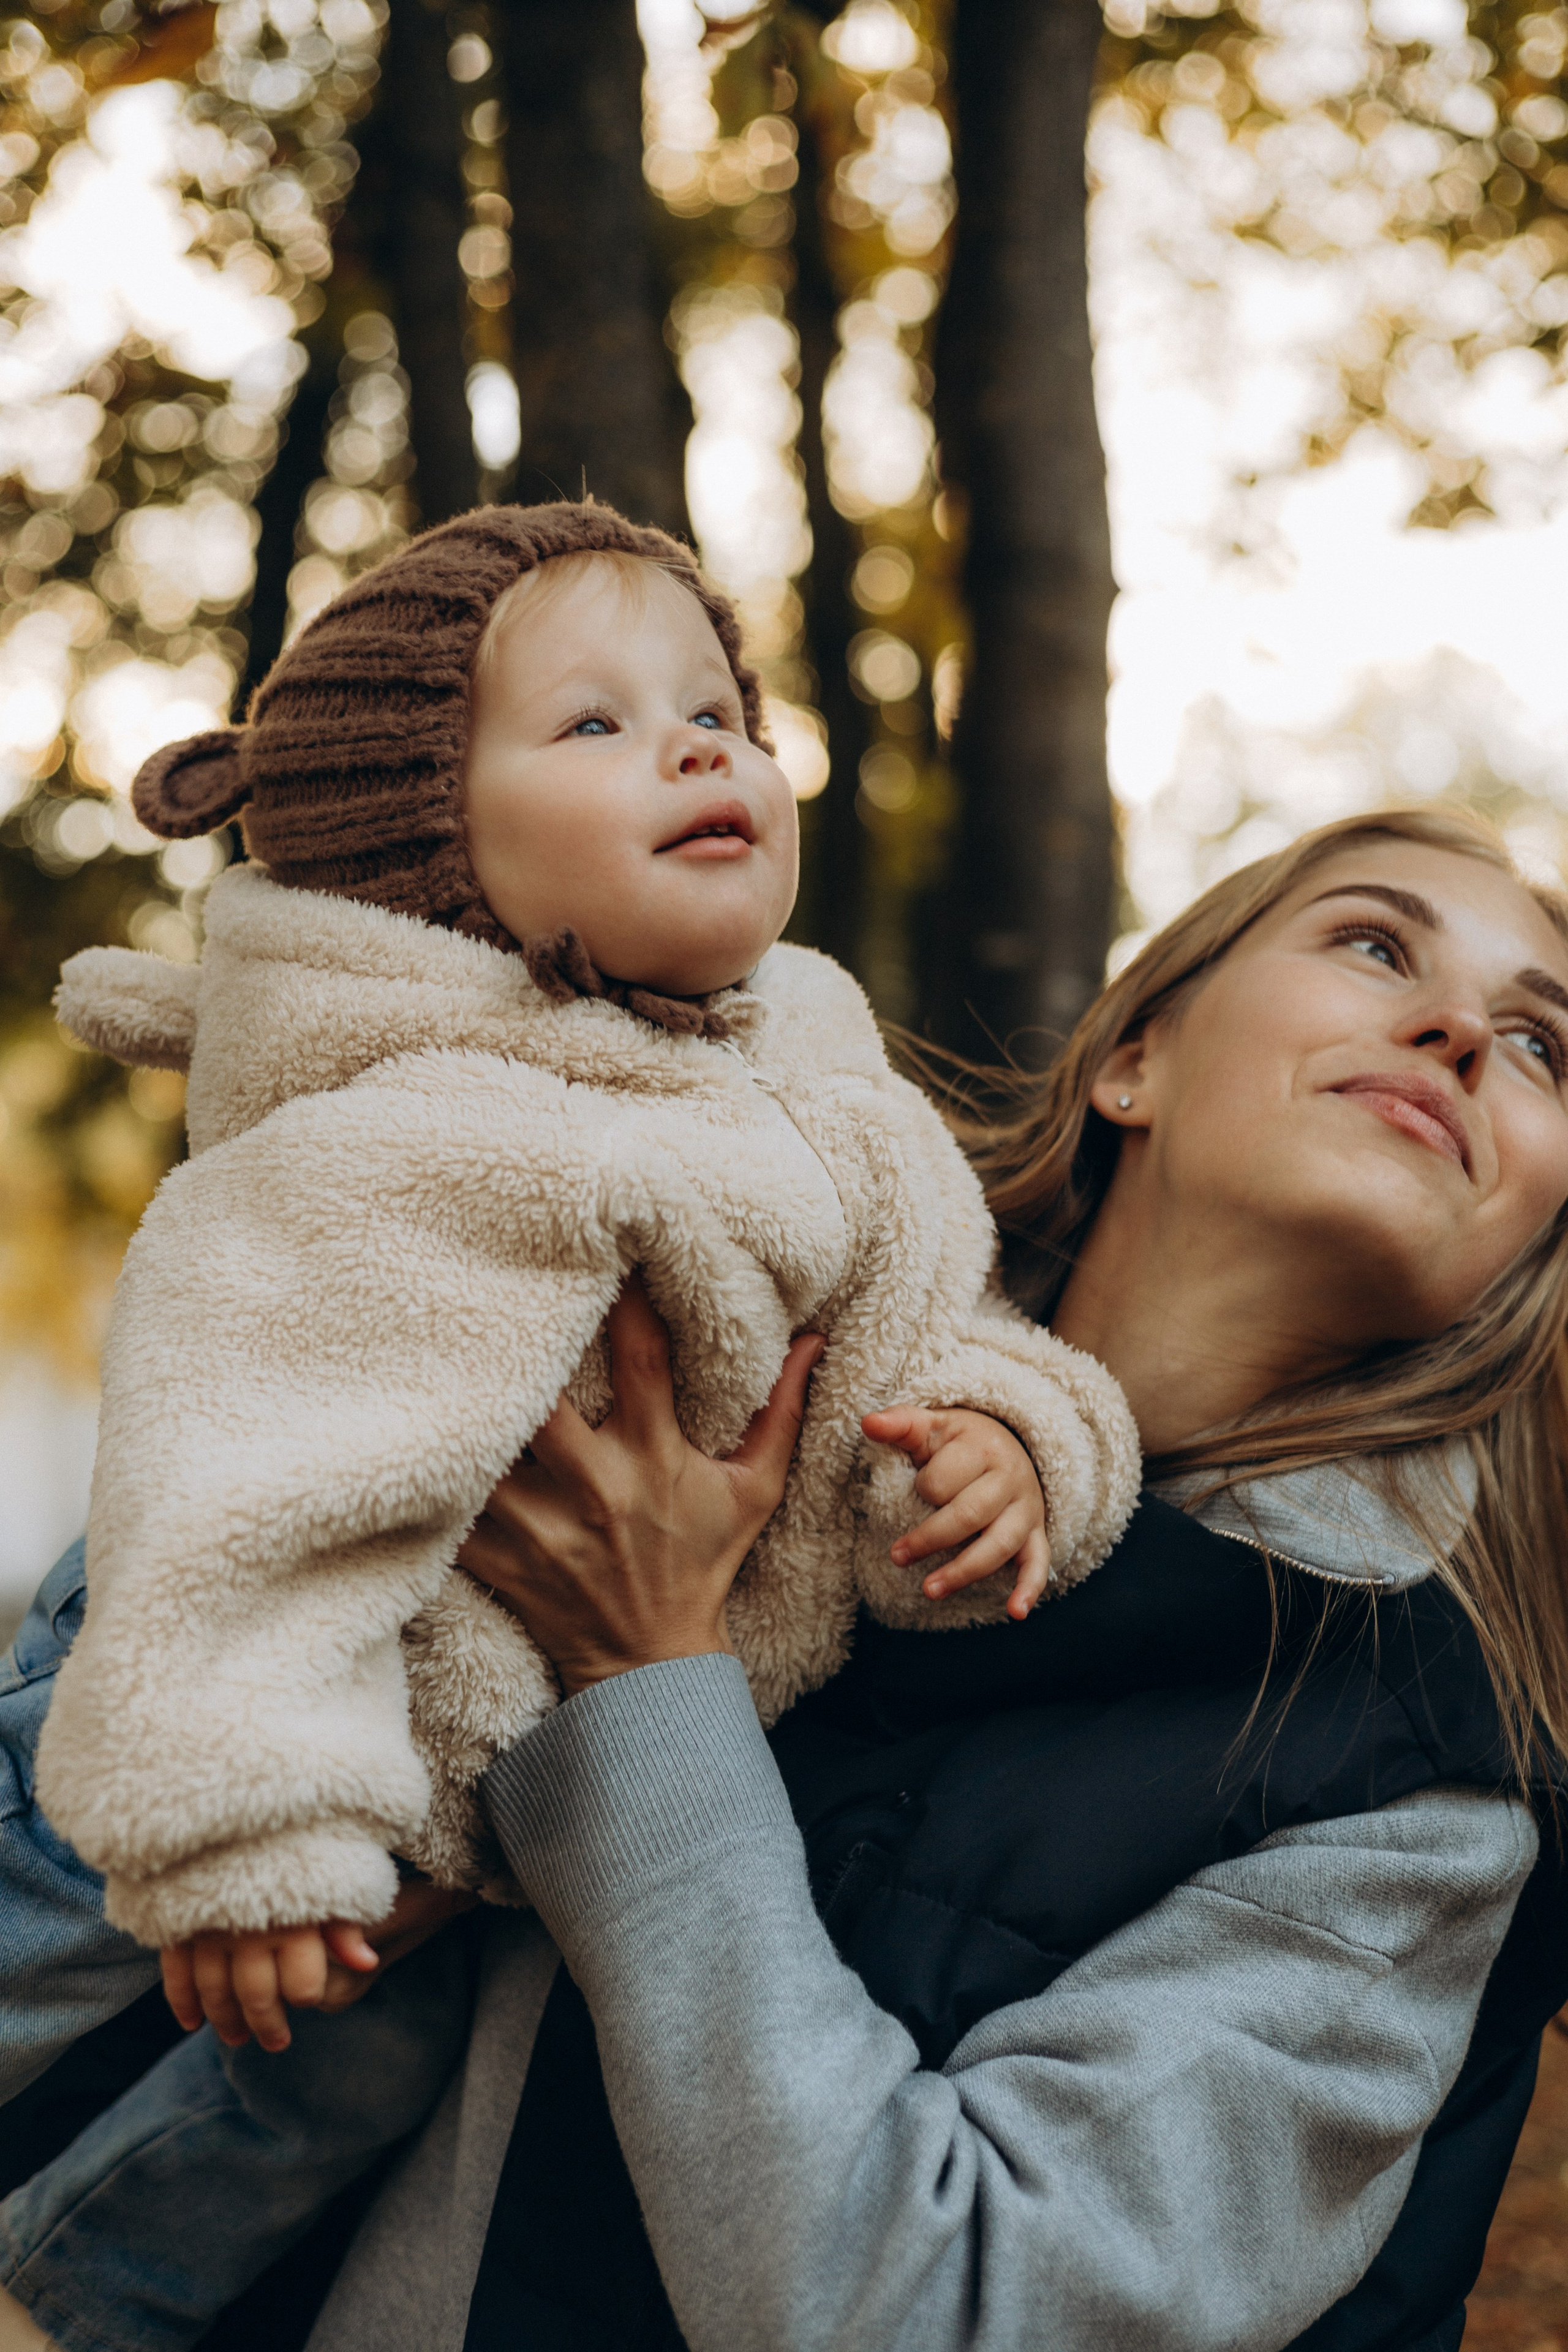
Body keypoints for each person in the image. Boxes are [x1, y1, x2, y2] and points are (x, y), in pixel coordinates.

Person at [0, 502, 1138, 2351]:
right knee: (47, 1933)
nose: (697, 750)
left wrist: (1011, 1443)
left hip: (472, 1794)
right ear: (426, 843)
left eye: (719, 715)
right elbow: (238, 1452)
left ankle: (63, 2300)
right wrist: (236, 1812)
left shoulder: (824, 1082)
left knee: (312, 2111)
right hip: (240, 1684)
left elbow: (943, 1327)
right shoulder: (418, 1120)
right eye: (594, 723)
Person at [281, 805, 1568, 2349]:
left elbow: (939, 2307)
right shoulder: (734, 1327)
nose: (1456, 1033)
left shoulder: (1413, 1783)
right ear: (1134, 1058)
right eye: (1373, 944)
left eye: (1540, 1046)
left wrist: (643, 1687)